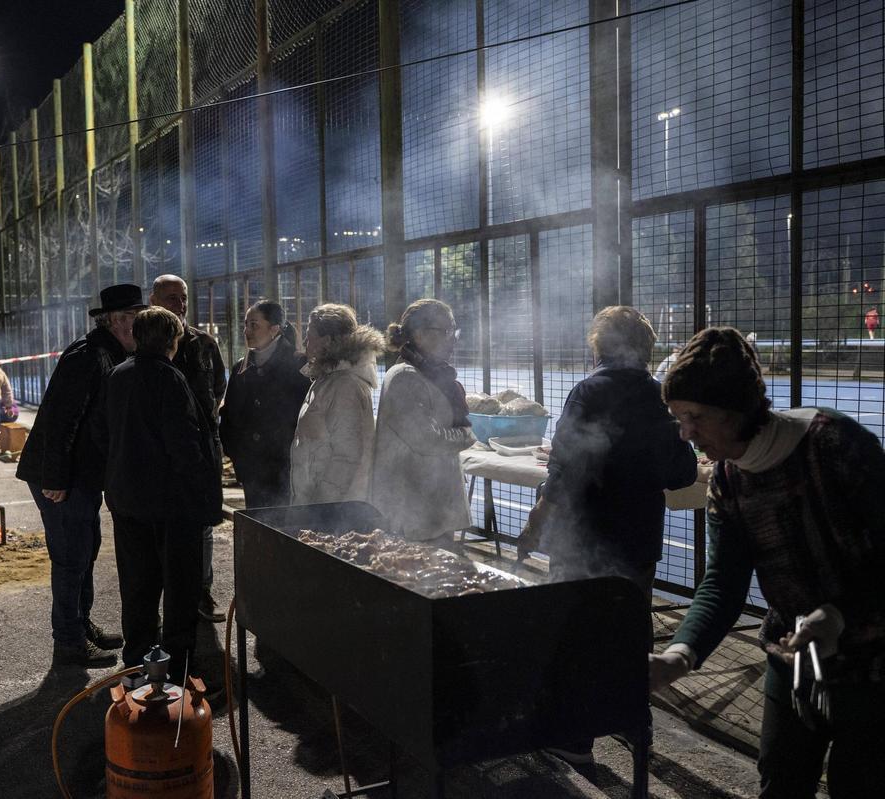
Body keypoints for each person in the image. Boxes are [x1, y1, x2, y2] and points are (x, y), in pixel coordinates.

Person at [649, 327, 885, 797]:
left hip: (874, 660)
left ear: (736, 409)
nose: (686, 433)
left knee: (861, 783)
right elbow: (722, 583)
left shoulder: (832, 444)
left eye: (695, 417)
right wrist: (680, 654)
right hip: (796, 654)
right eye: (678, 418)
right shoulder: (728, 481)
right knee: (781, 778)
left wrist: (839, 614)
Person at [517, 307, 697, 766]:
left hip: (584, 536)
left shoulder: (588, 390)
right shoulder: (660, 396)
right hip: (638, 539)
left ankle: (574, 740)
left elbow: (564, 468)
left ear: (598, 346)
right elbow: (682, 471)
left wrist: (537, 522)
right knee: (631, 633)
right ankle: (635, 723)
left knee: (574, 634)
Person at [16, 283, 144, 669]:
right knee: (72, 558)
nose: (141, 326)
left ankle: (79, 624)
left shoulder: (105, 352)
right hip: (62, 479)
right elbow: (59, 421)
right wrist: (55, 478)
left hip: (78, 477)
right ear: (118, 321)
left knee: (84, 551)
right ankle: (68, 641)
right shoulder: (90, 356)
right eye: (136, 318)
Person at [94, 306, 223, 682]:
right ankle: (177, 671)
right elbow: (184, 444)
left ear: (136, 336)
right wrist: (202, 492)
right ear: (174, 340)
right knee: (180, 591)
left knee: (138, 588)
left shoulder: (117, 375)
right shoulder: (171, 378)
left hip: (127, 500)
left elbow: (102, 433)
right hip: (171, 503)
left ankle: (137, 665)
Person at [150, 274, 228, 623]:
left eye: (182, 298)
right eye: (171, 298)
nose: (180, 305)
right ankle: (166, 594)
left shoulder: (203, 343)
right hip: (161, 455)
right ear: (153, 300)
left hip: (202, 449)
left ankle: (201, 590)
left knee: (203, 526)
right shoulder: (145, 348)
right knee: (162, 525)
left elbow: (218, 389)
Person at [371, 299, 475, 543]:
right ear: (419, 334)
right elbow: (427, 440)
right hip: (413, 512)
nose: (453, 339)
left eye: (453, 331)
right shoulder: (405, 377)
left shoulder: (430, 374)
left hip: (429, 507)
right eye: (446, 331)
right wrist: (466, 433)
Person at [219, 300, 310, 508]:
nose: (247, 331)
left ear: (274, 329)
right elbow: (229, 417)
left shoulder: (298, 366)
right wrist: (239, 458)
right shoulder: (240, 368)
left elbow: (304, 417)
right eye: (245, 324)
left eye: (254, 325)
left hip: (287, 471)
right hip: (252, 472)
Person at [291, 303, 384, 504]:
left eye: (310, 335)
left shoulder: (345, 386)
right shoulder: (327, 380)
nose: (306, 341)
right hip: (318, 501)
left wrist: (322, 505)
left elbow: (347, 455)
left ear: (328, 340)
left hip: (335, 507)